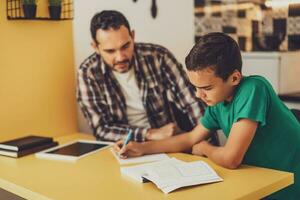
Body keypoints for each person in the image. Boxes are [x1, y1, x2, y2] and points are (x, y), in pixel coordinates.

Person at [115, 32, 300, 199]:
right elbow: (190, 138)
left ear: (234, 78)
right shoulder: (217, 102)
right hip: (261, 180)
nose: (198, 95)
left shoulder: (254, 88)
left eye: (206, 88)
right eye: (195, 87)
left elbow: (231, 159)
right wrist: (141, 148)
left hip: (289, 183)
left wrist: (205, 148)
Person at [77, 10, 205, 142]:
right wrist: (149, 134)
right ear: (95, 47)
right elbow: (101, 128)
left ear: (132, 36)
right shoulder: (88, 73)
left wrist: (204, 147)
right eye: (110, 51)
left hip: (167, 143)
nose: (120, 57)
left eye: (125, 46)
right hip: (121, 148)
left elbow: (193, 102)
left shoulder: (158, 57)